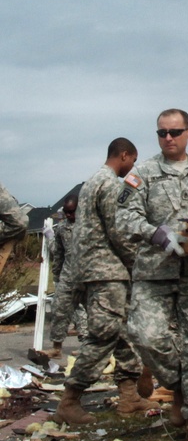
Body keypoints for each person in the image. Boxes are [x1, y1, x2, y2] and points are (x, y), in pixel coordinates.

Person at [117, 109, 188, 441]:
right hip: (154, 270)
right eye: (162, 133)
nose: (168, 138)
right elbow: (124, 217)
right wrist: (153, 233)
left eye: (175, 132)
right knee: (144, 335)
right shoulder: (142, 174)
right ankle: (179, 385)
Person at [53, 138, 158, 425]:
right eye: (132, 161)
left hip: (92, 270)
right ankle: (70, 400)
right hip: (106, 271)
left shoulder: (89, 183)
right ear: (123, 155)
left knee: (124, 333)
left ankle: (129, 395)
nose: (132, 167)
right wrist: (140, 262)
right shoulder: (112, 185)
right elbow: (120, 231)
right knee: (104, 336)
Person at [40, 196, 88, 359]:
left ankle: (87, 346)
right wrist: (57, 274)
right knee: (60, 309)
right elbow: (58, 253)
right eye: (66, 213)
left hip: (89, 273)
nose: (68, 215)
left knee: (92, 312)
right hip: (68, 274)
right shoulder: (62, 228)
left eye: (71, 212)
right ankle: (56, 347)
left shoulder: (90, 225)